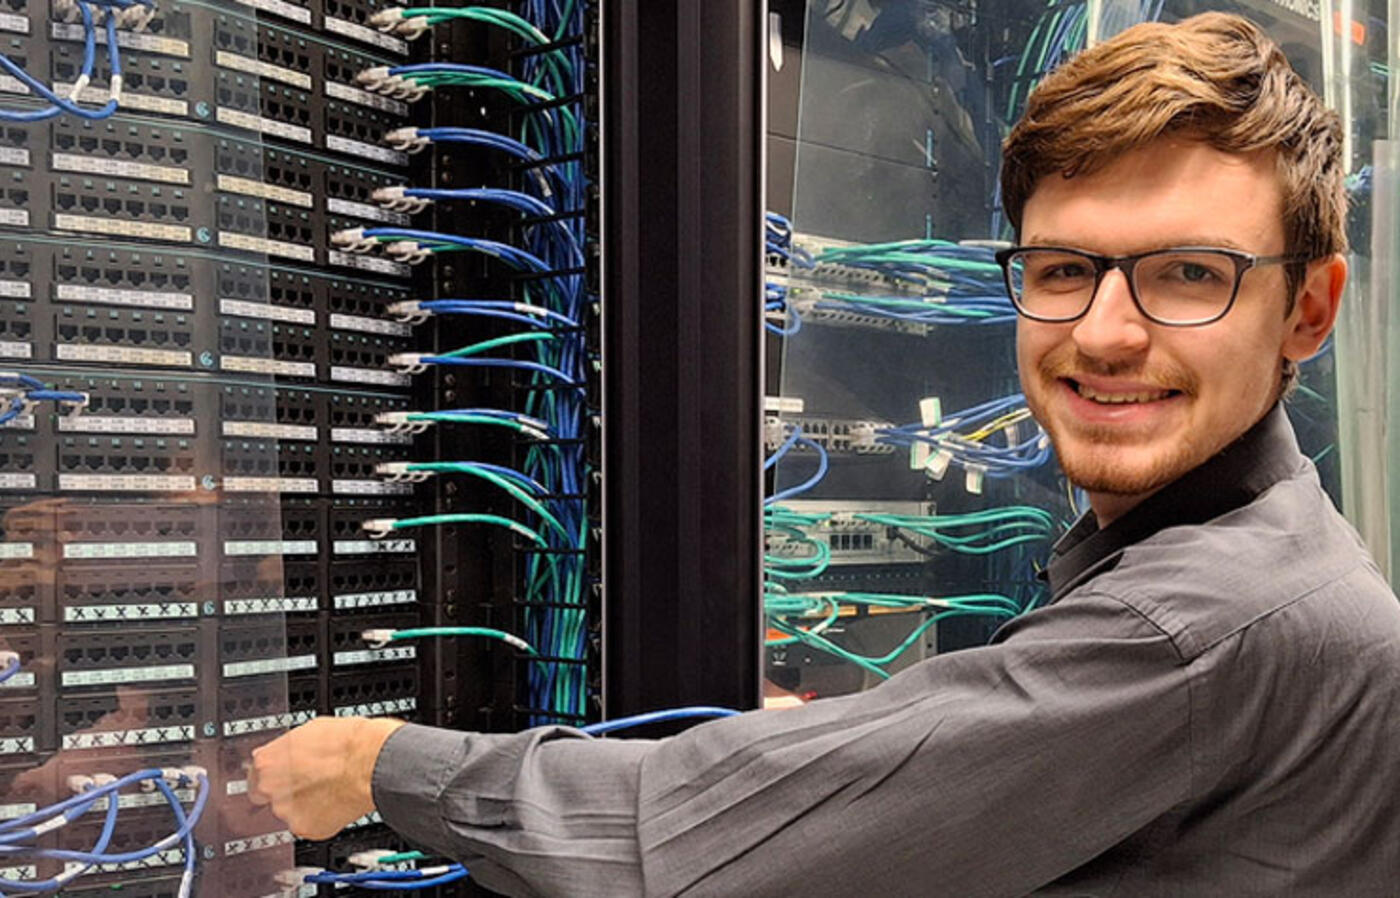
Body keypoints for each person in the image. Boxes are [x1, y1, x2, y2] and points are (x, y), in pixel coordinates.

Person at [248, 13, 1400, 896]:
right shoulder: (1262, 569)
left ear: (1307, 310)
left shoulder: (1193, 627)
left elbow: (670, 849)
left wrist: (372, 762)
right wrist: (858, 760)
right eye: (1062, 269)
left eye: (1187, 273)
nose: (1104, 330)